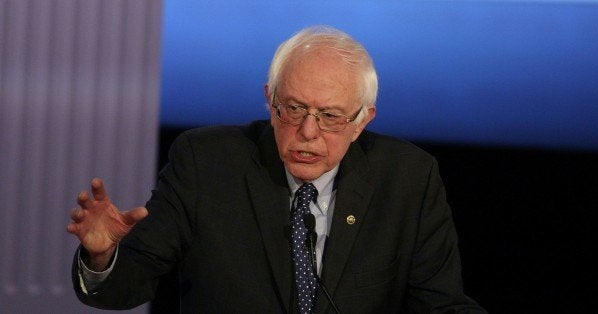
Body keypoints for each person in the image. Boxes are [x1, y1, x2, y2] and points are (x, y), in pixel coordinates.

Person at [67, 25, 485, 313]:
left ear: (363, 121)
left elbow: (440, 302)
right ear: (270, 101)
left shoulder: (408, 178)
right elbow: (128, 285)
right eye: (294, 108)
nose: (307, 132)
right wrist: (102, 258)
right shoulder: (206, 163)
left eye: (330, 116)